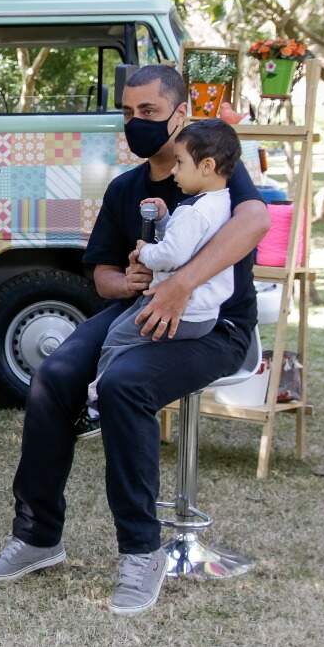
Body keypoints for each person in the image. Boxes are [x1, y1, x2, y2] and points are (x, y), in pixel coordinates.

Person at [0, 65, 269, 616]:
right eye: (129, 113)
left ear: (180, 114)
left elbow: (254, 221)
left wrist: (181, 283)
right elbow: (103, 277)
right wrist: (130, 282)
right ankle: (37, 537)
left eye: (149, 112)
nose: (136, 123)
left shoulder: (213, 168)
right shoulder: (125, 188)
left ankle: (141, 552)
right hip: (138, 313)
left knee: (124, 386)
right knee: (52, 376)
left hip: (216, 327)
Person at [77, 119, 242, 439]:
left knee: (117, 336)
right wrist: (166, 219)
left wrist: (145, 251)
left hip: (182, 313)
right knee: (123, 328)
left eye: (180, 163)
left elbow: (171, 255)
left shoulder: (194, 211)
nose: (174, 171)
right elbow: (189, 242)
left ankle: (97, 404)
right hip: (204, 313)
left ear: (207, 166)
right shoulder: (220, 203)